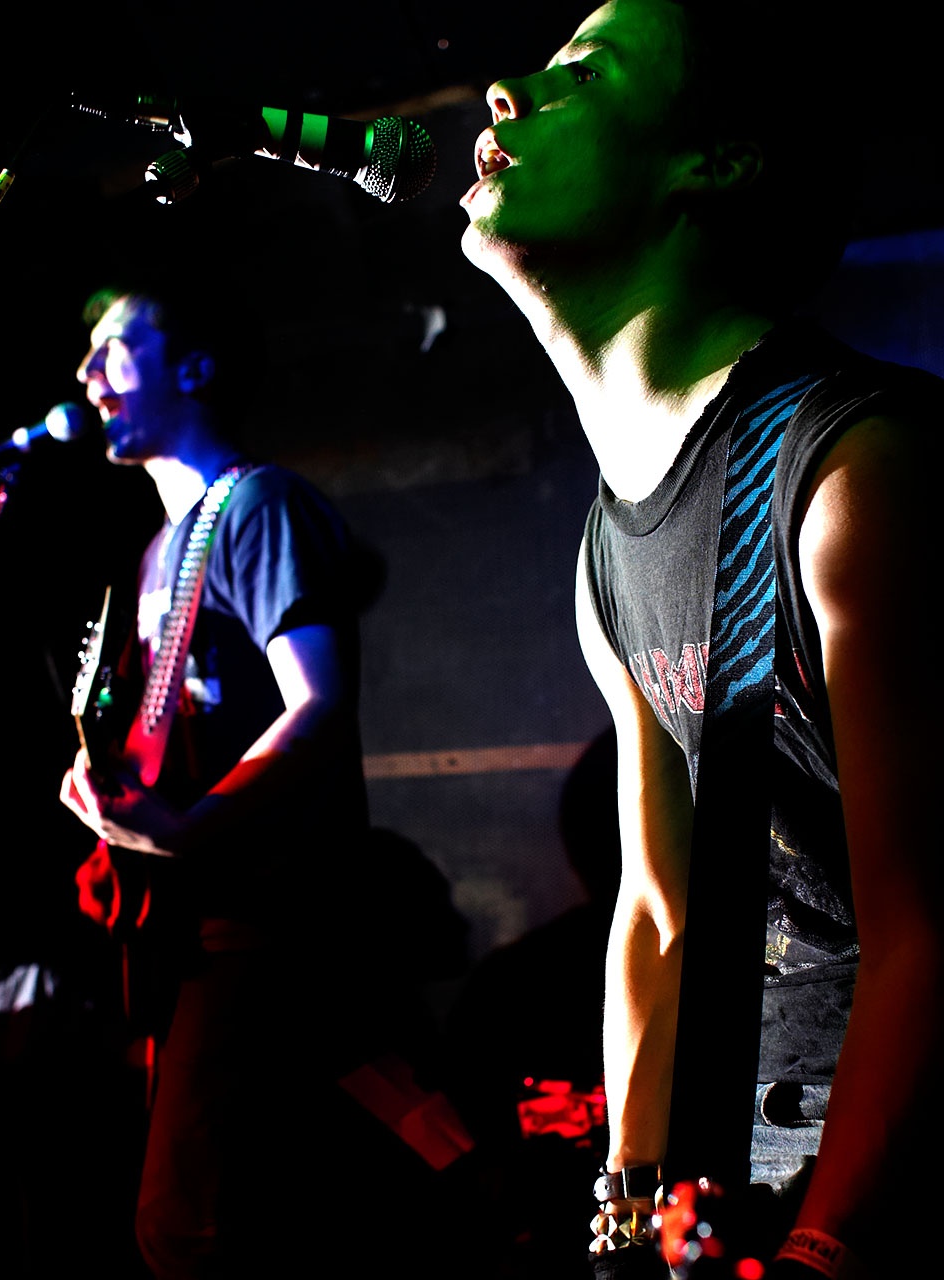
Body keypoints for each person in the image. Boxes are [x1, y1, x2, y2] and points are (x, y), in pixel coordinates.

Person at [460, 2, 942, 1277]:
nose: (507, 92)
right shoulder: (603, 552)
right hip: (744, 1165)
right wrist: (626, 1211)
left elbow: (930, 925)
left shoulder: (853, 475)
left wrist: (822, 1247)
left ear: (712, 161)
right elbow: (657, 913)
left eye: (581, 74)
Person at [58, 267, 373, 1277]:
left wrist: (190, 828)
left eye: (115, 349)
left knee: (189, 1224)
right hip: (190, 927)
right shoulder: (158, 551)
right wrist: (111, 798)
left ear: (192, 367)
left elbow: (317, 703)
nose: (87, 375)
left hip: (269, 922)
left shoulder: (257, 504)